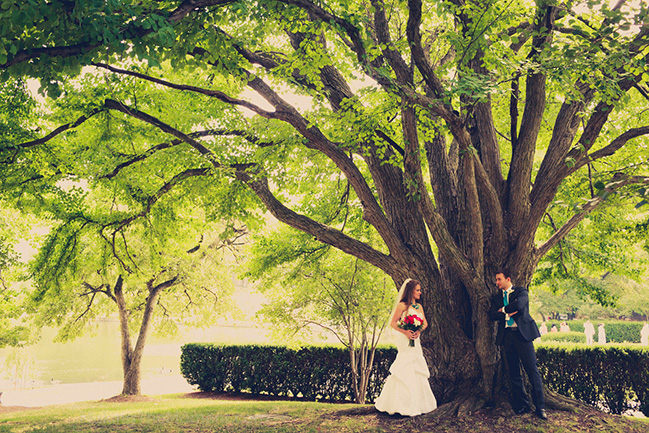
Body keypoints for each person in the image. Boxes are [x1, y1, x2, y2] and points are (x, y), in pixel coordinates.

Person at [489, 268, 547, 420]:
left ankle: (540, 407)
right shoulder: (496, 297)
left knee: (532, 371)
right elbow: (492, 315)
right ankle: (522, 406)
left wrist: (504, 310)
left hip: (523, 336)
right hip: (507, 337)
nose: (497, 282)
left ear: (508, 279)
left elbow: (520, 305)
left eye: (499, 279)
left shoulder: (521, 291)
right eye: (496, 280)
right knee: (514, 373)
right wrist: (508, 310)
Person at [375, 278, 437, 416]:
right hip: (405, 339)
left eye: (420, 290)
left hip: (416, 339)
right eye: (417, 290)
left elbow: (425, 323)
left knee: (416, 367)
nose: (420, 292)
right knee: (405, 366)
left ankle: (418, 404)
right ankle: (398, 404)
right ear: (411, 291)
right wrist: (406, 331)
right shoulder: (402, 306)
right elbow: (393, 323)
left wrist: (417, 331)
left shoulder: (419, 307)